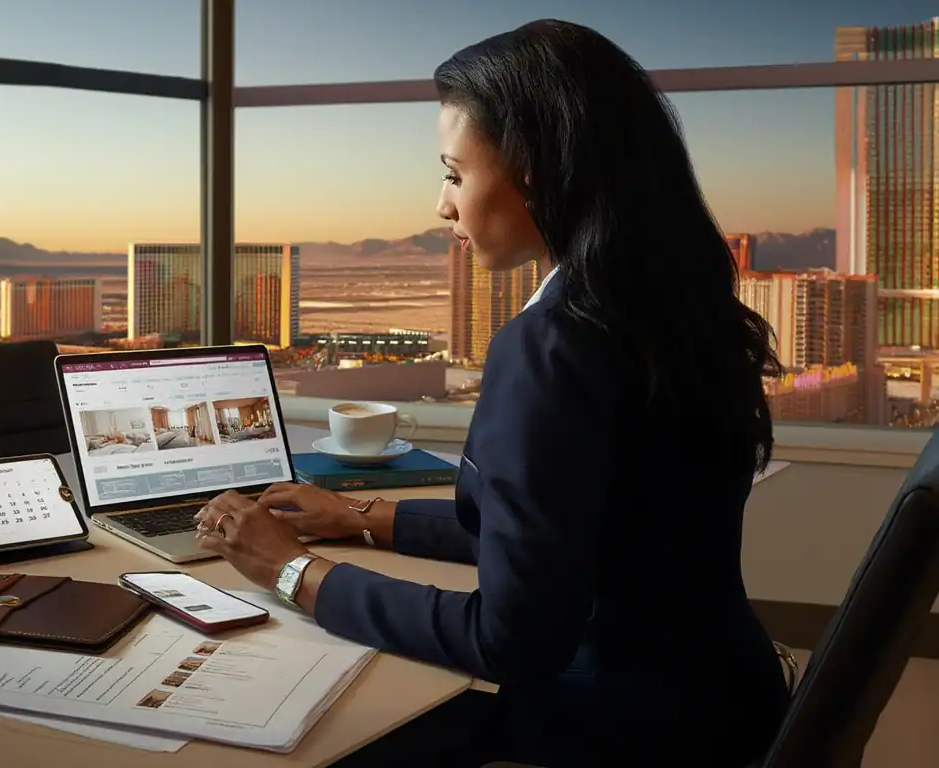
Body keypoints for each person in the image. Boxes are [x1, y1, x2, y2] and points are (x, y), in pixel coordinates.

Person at [193, 18, 790, 768]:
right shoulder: (672, 310)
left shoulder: (554, 344)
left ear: (535, 170)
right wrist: (360, 518)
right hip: (722, 705)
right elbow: (560, 539)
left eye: (453, 172)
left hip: (606, 732)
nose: (443, 205)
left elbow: (509, 637)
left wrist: (290, 570)